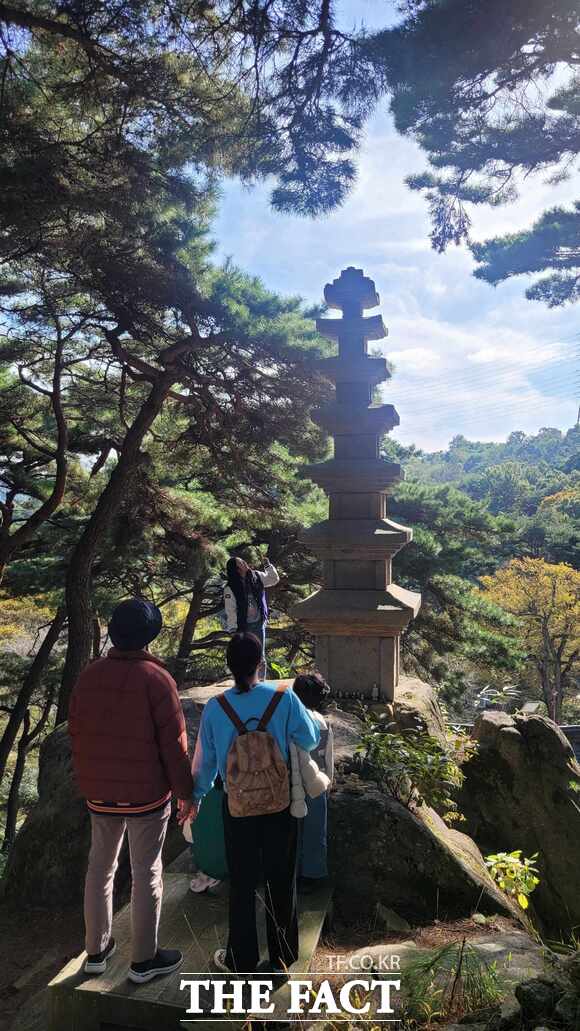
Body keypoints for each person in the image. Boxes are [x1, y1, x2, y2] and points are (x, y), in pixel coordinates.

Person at [68, 598, 195, 984]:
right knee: (146, 873)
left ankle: (96, 951)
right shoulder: (157, 680)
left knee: (99, 869)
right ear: (149, 637)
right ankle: (144, 960)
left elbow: (77, 733)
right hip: (146, 797)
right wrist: (186, 793)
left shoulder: (88, 676)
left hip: (99, 795)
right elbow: (175, 746)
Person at [191, 632, 320, 976]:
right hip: (278, 805)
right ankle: (280, 960)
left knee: (242, 883)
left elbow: (203, 764)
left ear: (230, 667)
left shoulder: (216, 708)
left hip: (237, 808)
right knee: (281, 878)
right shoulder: (284, 697)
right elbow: (310, 737)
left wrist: (195, 798)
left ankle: (241, 958)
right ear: (260, 663)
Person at [292, 673, 334, 892]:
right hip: (317, 784)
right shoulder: (321, 722)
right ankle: (313, 874)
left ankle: (292, 872)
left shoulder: (288, 719)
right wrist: (329, 782)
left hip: (291, 783)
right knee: (315, 831)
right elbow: (328, 758)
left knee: (292, 831)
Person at [223, 555, 279, 679]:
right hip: (243, 627)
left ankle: (261, 684)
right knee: (244, 657)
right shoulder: (230, 588)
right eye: (241, 563)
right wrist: (233, 630)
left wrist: (267, 565)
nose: (245, 563)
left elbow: (273, 579)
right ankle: (246, 684)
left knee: (260, 656)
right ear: (237, 569)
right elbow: (230, 610)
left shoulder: (256, 576)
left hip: (259, 623)